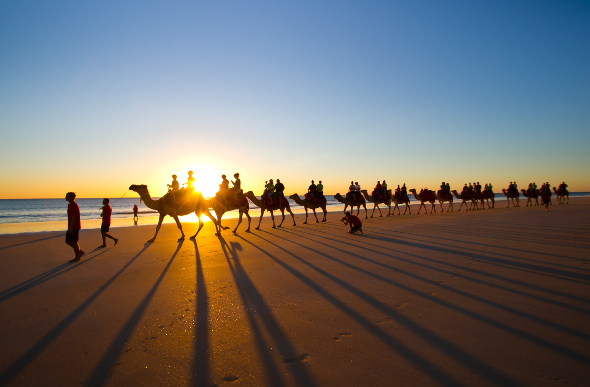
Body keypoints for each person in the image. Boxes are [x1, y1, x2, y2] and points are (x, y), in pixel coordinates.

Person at [65, 192, 85, 262]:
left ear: (71, 197)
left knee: (74, 242)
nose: (65, 197)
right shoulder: (70, 205)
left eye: (67, 196)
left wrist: (71, 228)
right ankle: (80, 252)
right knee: (67, 241)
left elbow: (74, 217)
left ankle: (77, 256)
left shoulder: (74, 205)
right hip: (71, 226)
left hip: (74, 227)